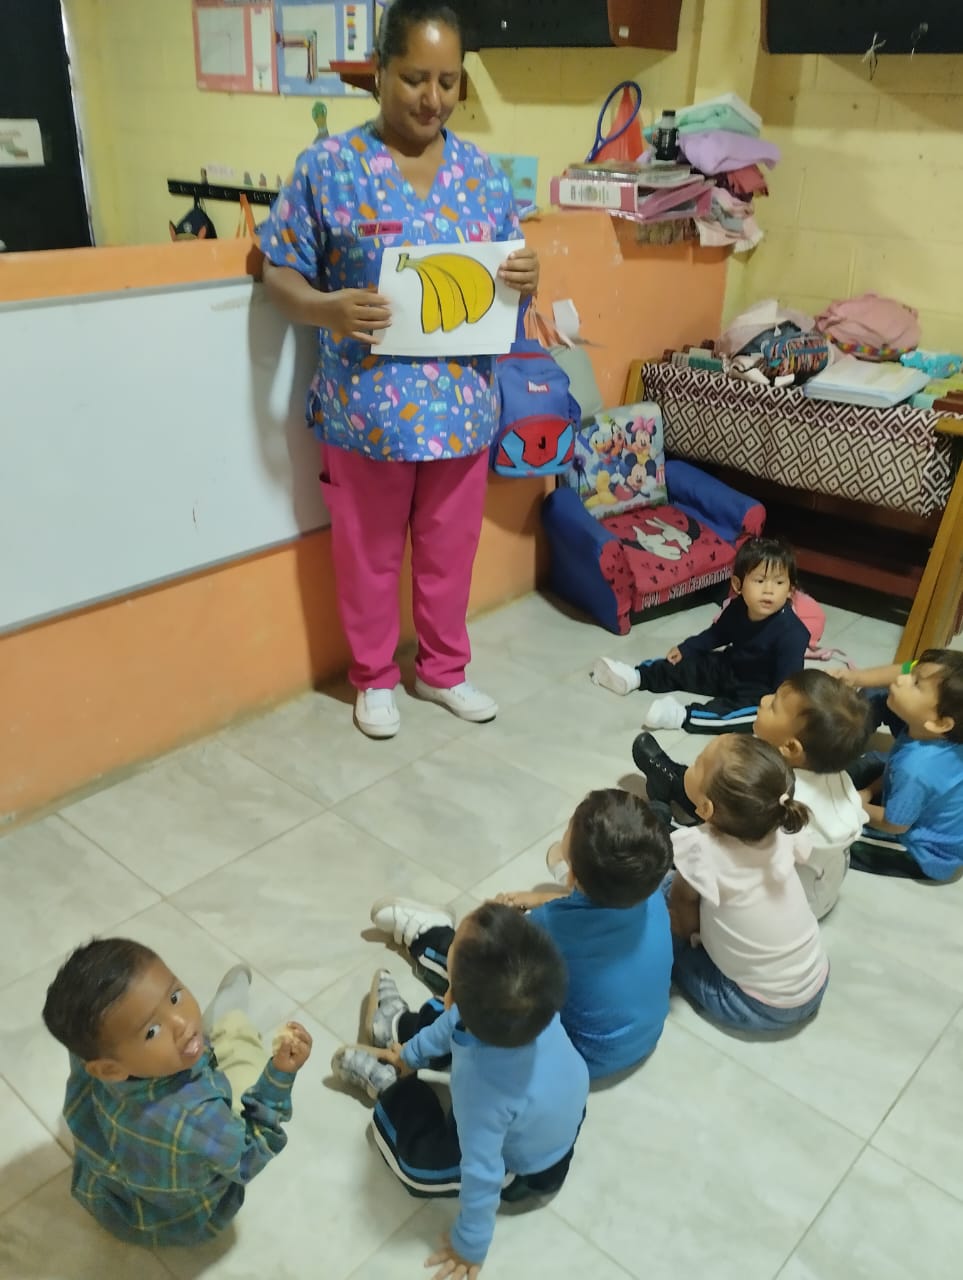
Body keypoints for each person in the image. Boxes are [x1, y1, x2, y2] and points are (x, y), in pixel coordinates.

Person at [259, 0, 539, 740]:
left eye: (448, 81)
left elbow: (510, 274)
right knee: (368, 557)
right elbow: (278, 270)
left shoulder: (482, 175)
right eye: (415, 78)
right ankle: (374, 677)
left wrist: (528, 275)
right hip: (366, 411)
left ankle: (443, 671)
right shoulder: (329, 168)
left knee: (450, 554)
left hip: (462, 411)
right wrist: (326, 309)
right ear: (379, 72)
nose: (432, 98)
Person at [331, 902, 588, 1280]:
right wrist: (410, 1054)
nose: (447, 993)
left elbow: (482, 1174)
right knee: (445, 1020)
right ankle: (397, 1032)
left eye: (449, 982)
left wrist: (471, 1244)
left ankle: (390, 1088)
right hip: (552, 1106)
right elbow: (451, 1022)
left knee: (416, 1166)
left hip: (526, 1169)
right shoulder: (537, 1008)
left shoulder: (482, 1091)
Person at [369, 788, 674, 1080]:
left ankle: (403, 1020)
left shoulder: (549, 925)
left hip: (576, 1057)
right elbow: (595, 917)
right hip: (640, 1039)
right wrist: (541, 898)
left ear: (572, 875)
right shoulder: (649, 890)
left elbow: (491, 971)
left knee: (493, 985)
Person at [41, 939, 312, 1246]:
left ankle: (213, 1023)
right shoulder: (197, 1116)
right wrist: (280, 1075)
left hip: (117, 1204)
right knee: (244, 1059)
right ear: (109, 1069)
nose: (182, 1023)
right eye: (151, 1031)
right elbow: (249, 1157)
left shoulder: (96, 1056)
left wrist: (155, 1037)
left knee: (197, 1048)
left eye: (174, 997)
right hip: (186, 1220)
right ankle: (229, 1017)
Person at [636, 669, 872, 917]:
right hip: (819, 895)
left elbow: (728, 848)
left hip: (774, 906)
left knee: (694, 840)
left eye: (774, 706)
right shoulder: (839, 778)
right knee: (721, 784)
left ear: (790, 747)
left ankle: (665, 823)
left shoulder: (771, 793)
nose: (764, 700)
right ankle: (674, 781)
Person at [663, 735, 829, 1032]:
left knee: (665, 915)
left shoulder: (701, 849)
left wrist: (689, 939)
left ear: (705, 809)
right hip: (815, 981)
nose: (691, 764)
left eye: (698, 763)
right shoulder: (782, 827)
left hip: (755, 1005)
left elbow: (682, 908)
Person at [591, 536, 808, 734]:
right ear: (738, 585)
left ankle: (682, 716)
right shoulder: (738, 607)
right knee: (690, 664)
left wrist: (778, 709)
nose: (769, 590)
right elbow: (717, 634)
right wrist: (688, 648)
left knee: (744, 714)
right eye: (760, 581)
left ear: (790, 589)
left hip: (760, 690)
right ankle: (635, 676)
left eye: (779, 583)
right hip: (729, 667)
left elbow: (788, 684)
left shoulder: (792, 633)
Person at [832, 650, 963, 880]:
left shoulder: (916, 768)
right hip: (915, 804)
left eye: (916, 683)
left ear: (940, 723)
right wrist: (868, 791)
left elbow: (895, 824)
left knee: (830, 833)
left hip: (921, 851)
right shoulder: (931, 735)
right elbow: (893, 771)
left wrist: (853, 804)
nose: (901, 679)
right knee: (868, 765)